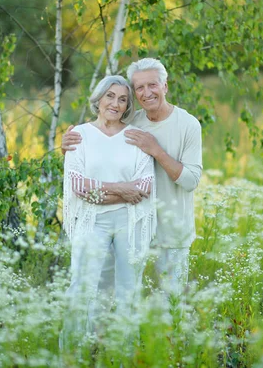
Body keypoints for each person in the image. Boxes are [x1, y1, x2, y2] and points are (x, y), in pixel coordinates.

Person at [62, 58, 203, 297]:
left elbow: (190, 181)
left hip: (170, 232)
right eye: (139, 87)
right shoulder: (130, 123)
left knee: (172, 303)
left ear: (165, 86)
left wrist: (156, 150)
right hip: (129, 227)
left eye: (153, 85)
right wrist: (68, 146)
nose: (146, 93)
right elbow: (100, 147)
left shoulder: (188, 124)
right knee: (116, 295)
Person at [60, 75, 156, 351]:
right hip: (92, 219)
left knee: (128, 288)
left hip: (130, 220)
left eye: (122, 99)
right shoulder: (80, 134)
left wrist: (117, 191)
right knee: (83, 286)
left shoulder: (135, 137)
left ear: (127, 106)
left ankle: (124, 351)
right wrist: (123, 189)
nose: (115, 103)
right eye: (110, 96)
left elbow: (145, 185)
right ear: (99, 99)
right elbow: (78, 184)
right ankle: (76, 350)